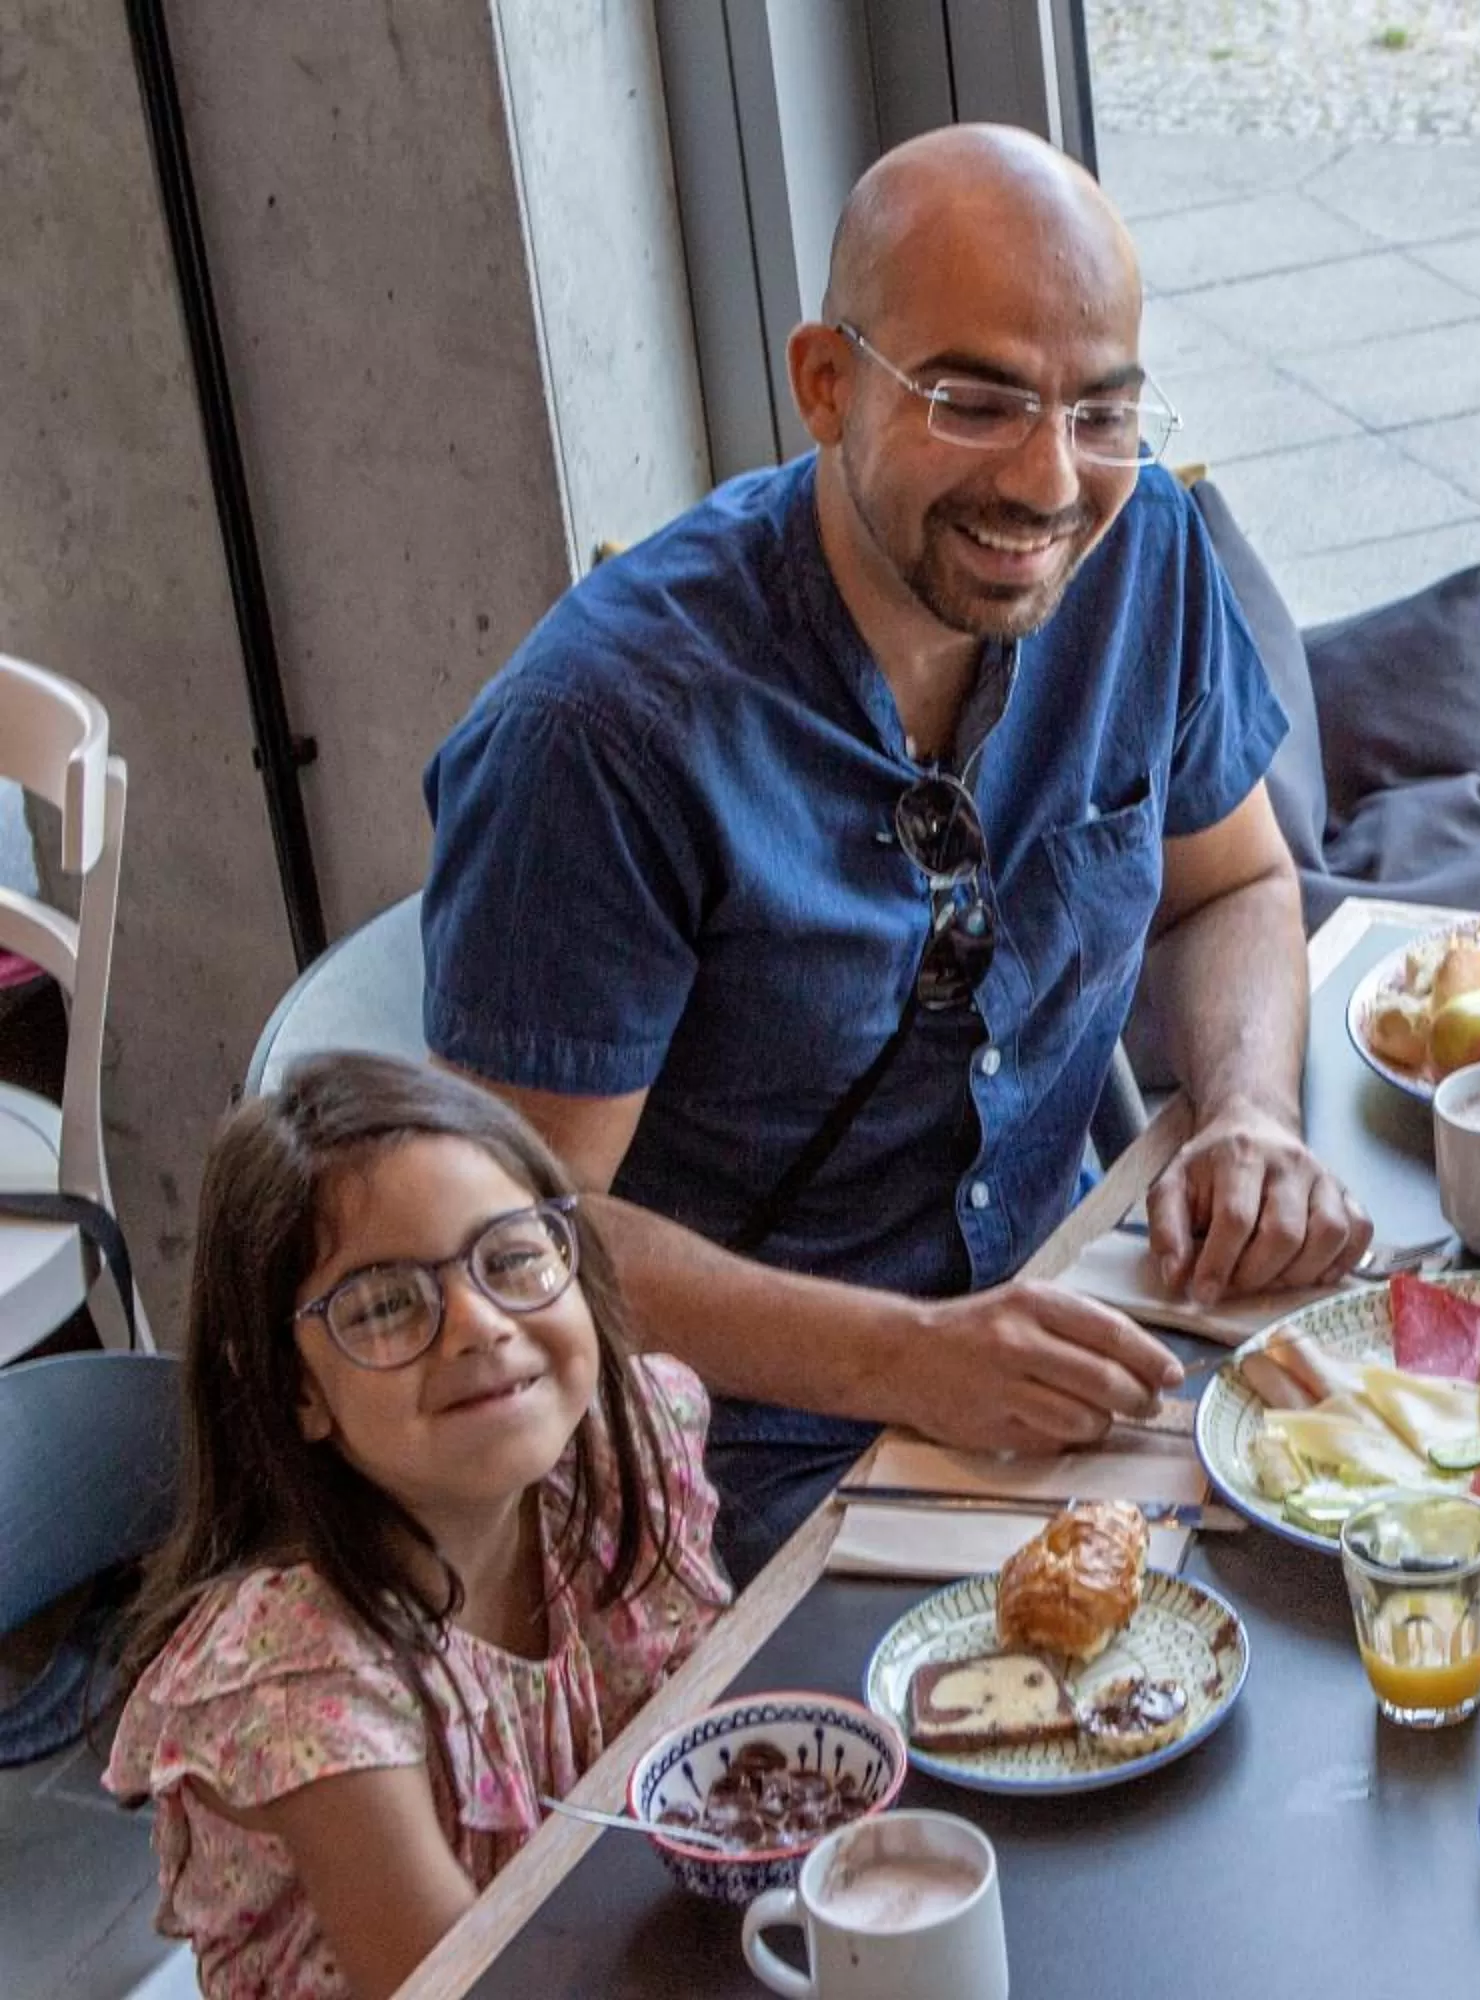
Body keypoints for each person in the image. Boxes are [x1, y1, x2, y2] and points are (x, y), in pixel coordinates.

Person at [422, 124, 1371, 1576]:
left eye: (1100, 412)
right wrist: (912, 1360)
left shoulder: (1147, 549)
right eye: (976, 400)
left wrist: (1251, 1112)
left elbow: (1232, 886)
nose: (1052, 482)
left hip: (1067, 1340)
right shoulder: (599, 730)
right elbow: (525, 1239)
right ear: (824, 384)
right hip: (722, 1470)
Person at [102, 1054, 729, 2000]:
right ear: (296, 1387)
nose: (478, 1324)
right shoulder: (300, 1672)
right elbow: (463, 1985)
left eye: (513, 1255)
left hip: (597, 1941)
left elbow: (711, 1754)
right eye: (387, 1304)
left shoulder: (622, 1446)